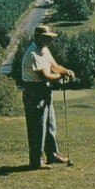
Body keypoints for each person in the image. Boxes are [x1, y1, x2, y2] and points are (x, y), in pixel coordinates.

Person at [21, 25, 75, 170]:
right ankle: (36, 160)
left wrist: (66, 71)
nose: (49, 40)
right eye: (47, 38)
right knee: (37, 128)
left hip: (44, 90)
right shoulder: (32, 54)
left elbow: (54, 66)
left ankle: (52, 154)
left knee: (50, 124)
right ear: (38, 37)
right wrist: (61, 76)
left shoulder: (44, 50)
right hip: (34, 92)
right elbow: (46, 75)